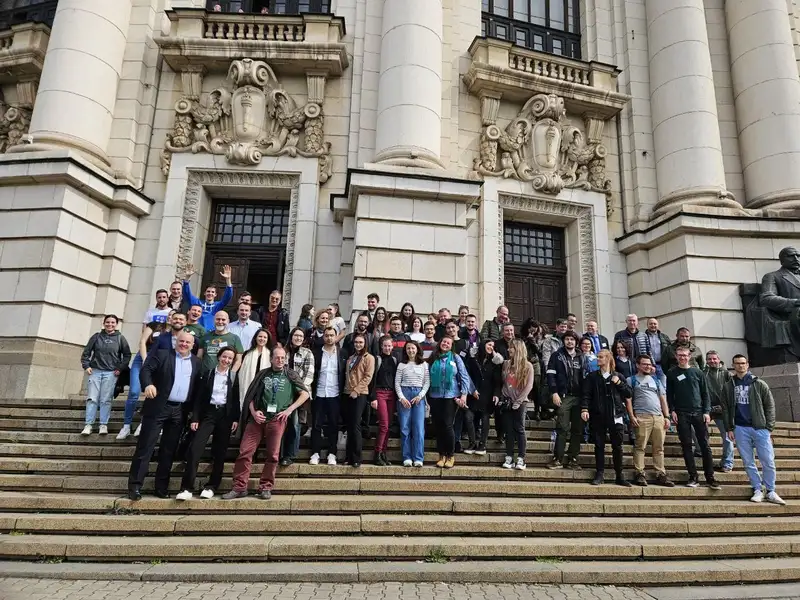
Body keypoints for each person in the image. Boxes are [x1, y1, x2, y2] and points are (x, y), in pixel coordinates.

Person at [223, 346, 310, 500]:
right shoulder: (263, 374)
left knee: (273, 455)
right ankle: (239, 487)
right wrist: (254, 412)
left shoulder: (291, 375)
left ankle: (266, 487)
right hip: (257, 419)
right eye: (277, 357)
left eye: (283, 358)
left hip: (277, 420)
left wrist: (289, 410)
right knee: (245, 452)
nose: (280, 360)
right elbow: (250, 397)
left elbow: (304, 394)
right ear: (271, 359)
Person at [127, 331, 201, 501]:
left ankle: (161, 487)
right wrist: (148, 384)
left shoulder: (197, 362)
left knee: (168, 450)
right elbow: (146, 370)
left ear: (192, 345)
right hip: (158, 406)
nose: (184, 344)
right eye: (181, 341)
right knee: (145, 447)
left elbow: (196, 388)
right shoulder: (162, 354)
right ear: (176, 341)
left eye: (187, 342)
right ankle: (135, 486)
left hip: (179, 411)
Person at [176, 347, 240, 500]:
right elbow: (198, 398)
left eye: (230, 358)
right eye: (224, 357)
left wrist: (235, 419)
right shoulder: (208, 374)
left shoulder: (233, 376)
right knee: (195, 449)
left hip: (224, 416)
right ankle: (187, 488)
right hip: (208, 414)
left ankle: (212, 486)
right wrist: (195, 418)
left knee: (219, 452)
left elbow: (236, 399)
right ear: (219, 357)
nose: (226, 360)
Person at [722, 354, 785, 505]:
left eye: (743, 363)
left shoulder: (759, 384)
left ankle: (770, 490)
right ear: (733, 365)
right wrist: (729, 428)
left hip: (759, 427)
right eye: (737, 363)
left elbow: (769, 406)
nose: (740, 366)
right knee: (748, 461)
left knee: (768, 461)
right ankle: (757, 488)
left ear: (747, 365)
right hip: (740, 428)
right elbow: (725, 408)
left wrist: (769, 427)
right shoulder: (728, 386)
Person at [667, 347, 720, 489]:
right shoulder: (672, 373)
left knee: (705, 446)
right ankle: (693, 476)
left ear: (689, 356)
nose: (682, 357)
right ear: (676, 357)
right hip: (681, 413)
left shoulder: (697, 372)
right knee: (686, 446)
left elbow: (705, 394)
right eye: (680, 355)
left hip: (698, 413)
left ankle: (710, 477)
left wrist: (707, 411)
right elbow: (669, 394)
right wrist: (672, 410)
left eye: (685, 355)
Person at [119, 309, 175, 440]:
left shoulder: (173, 334)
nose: (171, 318)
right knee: (134, 392)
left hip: (158, 364)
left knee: (151, 395)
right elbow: (143, 341)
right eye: (170, 315)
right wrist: (145, 359)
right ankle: (126, 425)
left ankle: (143, 422)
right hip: (142, 360)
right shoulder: (155, 325)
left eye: (174, 316)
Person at [581, 349, 633, 487]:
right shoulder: (592, 377)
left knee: (618, 446)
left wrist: (619, 383)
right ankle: (599, 473)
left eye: (601, 357)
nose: (598, 359)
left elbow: (628, 393)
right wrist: (585, 409)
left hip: (616, 415)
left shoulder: (618, 376)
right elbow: (586, 394)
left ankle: (619, 475)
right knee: (599, 445)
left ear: (608, 359)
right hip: (598, 415)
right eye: (597, 357)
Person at [626, 354, 674, 487]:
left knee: (659, 448)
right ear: (637, 365)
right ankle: (639, 472)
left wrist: (667, 416)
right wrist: (632, 416)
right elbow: (628, 400)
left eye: (649, 364)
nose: (647, 366)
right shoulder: (631, 380)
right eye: (644, 364)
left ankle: (660, 473)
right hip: (642, 416)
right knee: (640, 446)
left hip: (658, 417)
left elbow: (663, 399)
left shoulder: (656, 381)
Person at [80, 315, 131, 436]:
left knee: (106, 399)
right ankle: (88, 424)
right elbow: (86, 353)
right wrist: (86, 366)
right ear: (104, 323)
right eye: (107, 322)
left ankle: (103, 424)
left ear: (116, 324)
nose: (110, 324)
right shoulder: (96, 337)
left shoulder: (120, 338)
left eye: (113, 322)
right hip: (96, 371)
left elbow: (127, 355)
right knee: (92, 398)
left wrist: (120, 368)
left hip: (111, 373)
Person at [427, 336, 470, 468]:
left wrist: (464, 394)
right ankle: (441, 455)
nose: (445, 344)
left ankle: (450, 455)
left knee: (447, 425)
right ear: (440, 343)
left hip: (451, 396)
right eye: (443, 341)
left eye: (448, 343)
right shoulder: (433, 357)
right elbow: (427, 375)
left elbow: (464, 376)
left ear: (451, 346)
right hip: (435, 395)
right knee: (438, 426)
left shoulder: (456, 358)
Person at [546, 330, 585, 470]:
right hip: (564, 397)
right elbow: (550, 376)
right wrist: (554, 393)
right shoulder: (557, 356)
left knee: (577, 429)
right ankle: (558, 458)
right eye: (567, 339)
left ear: (576, 342)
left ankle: (573, 459)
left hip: (579, 398)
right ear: (564, 341)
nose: (570, 342)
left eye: (572, 339)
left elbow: (585, 378)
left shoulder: (582, 357)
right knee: (562, 428)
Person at [310, 327, 345, 466]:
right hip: (319, 393)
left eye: (332, 335)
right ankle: (315, 453)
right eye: (327, 335)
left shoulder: (342, 353)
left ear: (336, 337)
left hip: (335, 394)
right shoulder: (316, 353)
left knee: (333, 425)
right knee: (316, 425)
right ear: (323, 337)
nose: (329, 338)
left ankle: (332, 453)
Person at [281, 327, 315, 466]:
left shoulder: (307, 353)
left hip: (299, 394)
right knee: (281, 423)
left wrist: (298, 390)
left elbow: (309, 375)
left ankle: (290, 455)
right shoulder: (284, 351)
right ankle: (280, 453)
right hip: (283, 393)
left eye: (301, 336)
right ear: (291, 336)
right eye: (296, 335)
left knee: (295, 424)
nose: (298, 338)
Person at [499, 339, 534, 470]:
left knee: (519, 429)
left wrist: (519, 401)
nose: (509, 350)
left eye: (511, 348)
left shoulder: (527, 366)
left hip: (520, 402)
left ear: (518, 349)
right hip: (507, 401)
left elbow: (529, 385)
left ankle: (521, 457)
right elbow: (504, 382)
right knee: (508, 430)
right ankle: (509, 456)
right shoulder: (506, 364)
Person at [341, 333, 375, 467]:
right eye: (356, 342)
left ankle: (356, 458)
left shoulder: (369, 358)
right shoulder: (351, 358)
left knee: (355, 425)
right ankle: (348, 456)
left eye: (361, 342)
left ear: (365, 343)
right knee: (349, 426)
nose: (358, 345)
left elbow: (368, 376)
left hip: (359, 393)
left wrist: (356, 390)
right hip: (347, 393)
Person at [395, 341, 430, 467]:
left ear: (417, 350)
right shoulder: (401, 365)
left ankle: (418, 457)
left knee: (419, 428)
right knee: (405, 428)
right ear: (405, 350)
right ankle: (407, 457)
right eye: (408, 348)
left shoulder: (424, 364)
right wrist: (402, 398)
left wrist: (420, 396)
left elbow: (427, 382)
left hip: (418, 396)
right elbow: (397, 383)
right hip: (405, 394)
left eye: (413, 348)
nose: (411, 350)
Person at [469, 340, 504, 455]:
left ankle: (482, 444)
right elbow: (468, 375)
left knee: (485, 418)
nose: (491, 347)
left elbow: (498, 381)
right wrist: (471, 389)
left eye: (493, 346)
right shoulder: (473, 359)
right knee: (469, 417)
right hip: (474, 393)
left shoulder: (495, 362)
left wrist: (496, 394)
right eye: (489, 345)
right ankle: (472, 442)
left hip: (488, 394)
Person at [236, 328, 272, 431]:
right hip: (249, 387)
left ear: (268, 339)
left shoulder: (270, 354)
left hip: (263, 388)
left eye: (265, 337)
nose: (262, 339)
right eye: (260, 336)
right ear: (255, 338)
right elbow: (242, 374)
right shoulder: (247, 354)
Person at [704, 350, 734, 473]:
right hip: (707, 409)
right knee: (697, 432)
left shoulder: (726, 374)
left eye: (714, 359)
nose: (712, 361)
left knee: (727, 437)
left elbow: (731, 392)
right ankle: (702, 454)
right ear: (706, 361)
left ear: (719, 359)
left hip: (723, 409)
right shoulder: (703, 374)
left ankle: (727, 463)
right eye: (710, 359)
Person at [370, 335, 398, 466]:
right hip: (380, 393)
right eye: (385, 345)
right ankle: (377, 453)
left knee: (388, 426)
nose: (387, 348)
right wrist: (373, 397)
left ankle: (384, 453)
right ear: (381, 346)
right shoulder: (377, 359)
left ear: (393, 346)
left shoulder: (394, 360)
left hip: (391, 394)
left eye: (389, 345)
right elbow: (372, 379)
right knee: (384, 425)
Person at [181, 264, 233, 331]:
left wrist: (228, 280)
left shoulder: (217, 306)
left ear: (215, 295)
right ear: (204, 293)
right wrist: (187, 278)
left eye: (212, 292)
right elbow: (187, 294)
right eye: (208, 291)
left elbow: (227, 297)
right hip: (196, 332)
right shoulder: (197, 303)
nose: (210, 293)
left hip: (211, 333)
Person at [644, 317, 670, 387]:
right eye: (651, 324)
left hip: (662, 365)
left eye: (655, 324)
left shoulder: (664, 337)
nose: (653, 325)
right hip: (649, 366)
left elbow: (670, 351)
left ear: (658, 325)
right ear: (647, 325)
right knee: (651, 386)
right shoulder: (643, 336)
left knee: (664, 386)